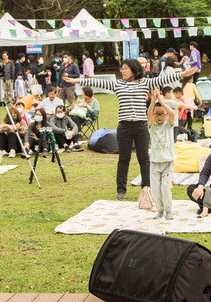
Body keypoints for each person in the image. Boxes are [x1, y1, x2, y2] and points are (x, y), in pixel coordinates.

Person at [71, 57, 199, 201]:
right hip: (124, 126)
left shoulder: (144, 83)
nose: (122, 71)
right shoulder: (118, 84)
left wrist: (182, 75)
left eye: (125, 68)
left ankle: (147, 188)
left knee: (143, 158)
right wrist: (77, 81)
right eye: (122, 68)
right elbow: (98, 82)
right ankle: (121, 191)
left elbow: (162, 79)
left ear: (133, 69)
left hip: (141, 126)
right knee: (123, 159)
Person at [147, 89, 176, 220]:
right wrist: (153, 100)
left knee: (165, 188)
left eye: (162, 114)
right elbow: (148, 114)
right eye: (157, 114)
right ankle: (160, 209)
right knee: (155, 189)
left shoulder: (168, 126)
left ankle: (168, 210)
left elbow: (172, 113)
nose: (159, 116)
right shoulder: (152, 127)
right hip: (154, 162)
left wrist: (161, 101)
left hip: (167, 162)